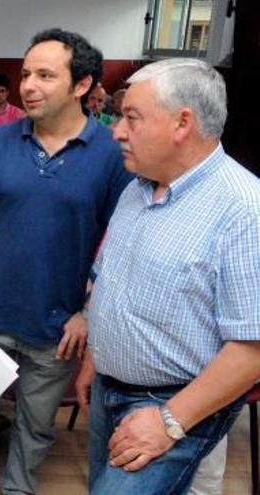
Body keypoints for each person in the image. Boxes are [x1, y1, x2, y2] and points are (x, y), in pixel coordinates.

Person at [0, 28, 133, 495]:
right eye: (26, 73)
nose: (28, 85)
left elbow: (123, 243)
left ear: (82, 85)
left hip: (57, 326)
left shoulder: (111, 153)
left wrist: (88, 313)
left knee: (35, 428)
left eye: (46, 75)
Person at [73, 57, 260, 495]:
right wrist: (95, 357)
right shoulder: (137, 190)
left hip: (171, 403)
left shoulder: (244, 209)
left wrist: (168, 423)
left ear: (182, 123)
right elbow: (110, 281)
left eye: (131, 117)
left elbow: (252, 347)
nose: (116, 130)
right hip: (109, 388)